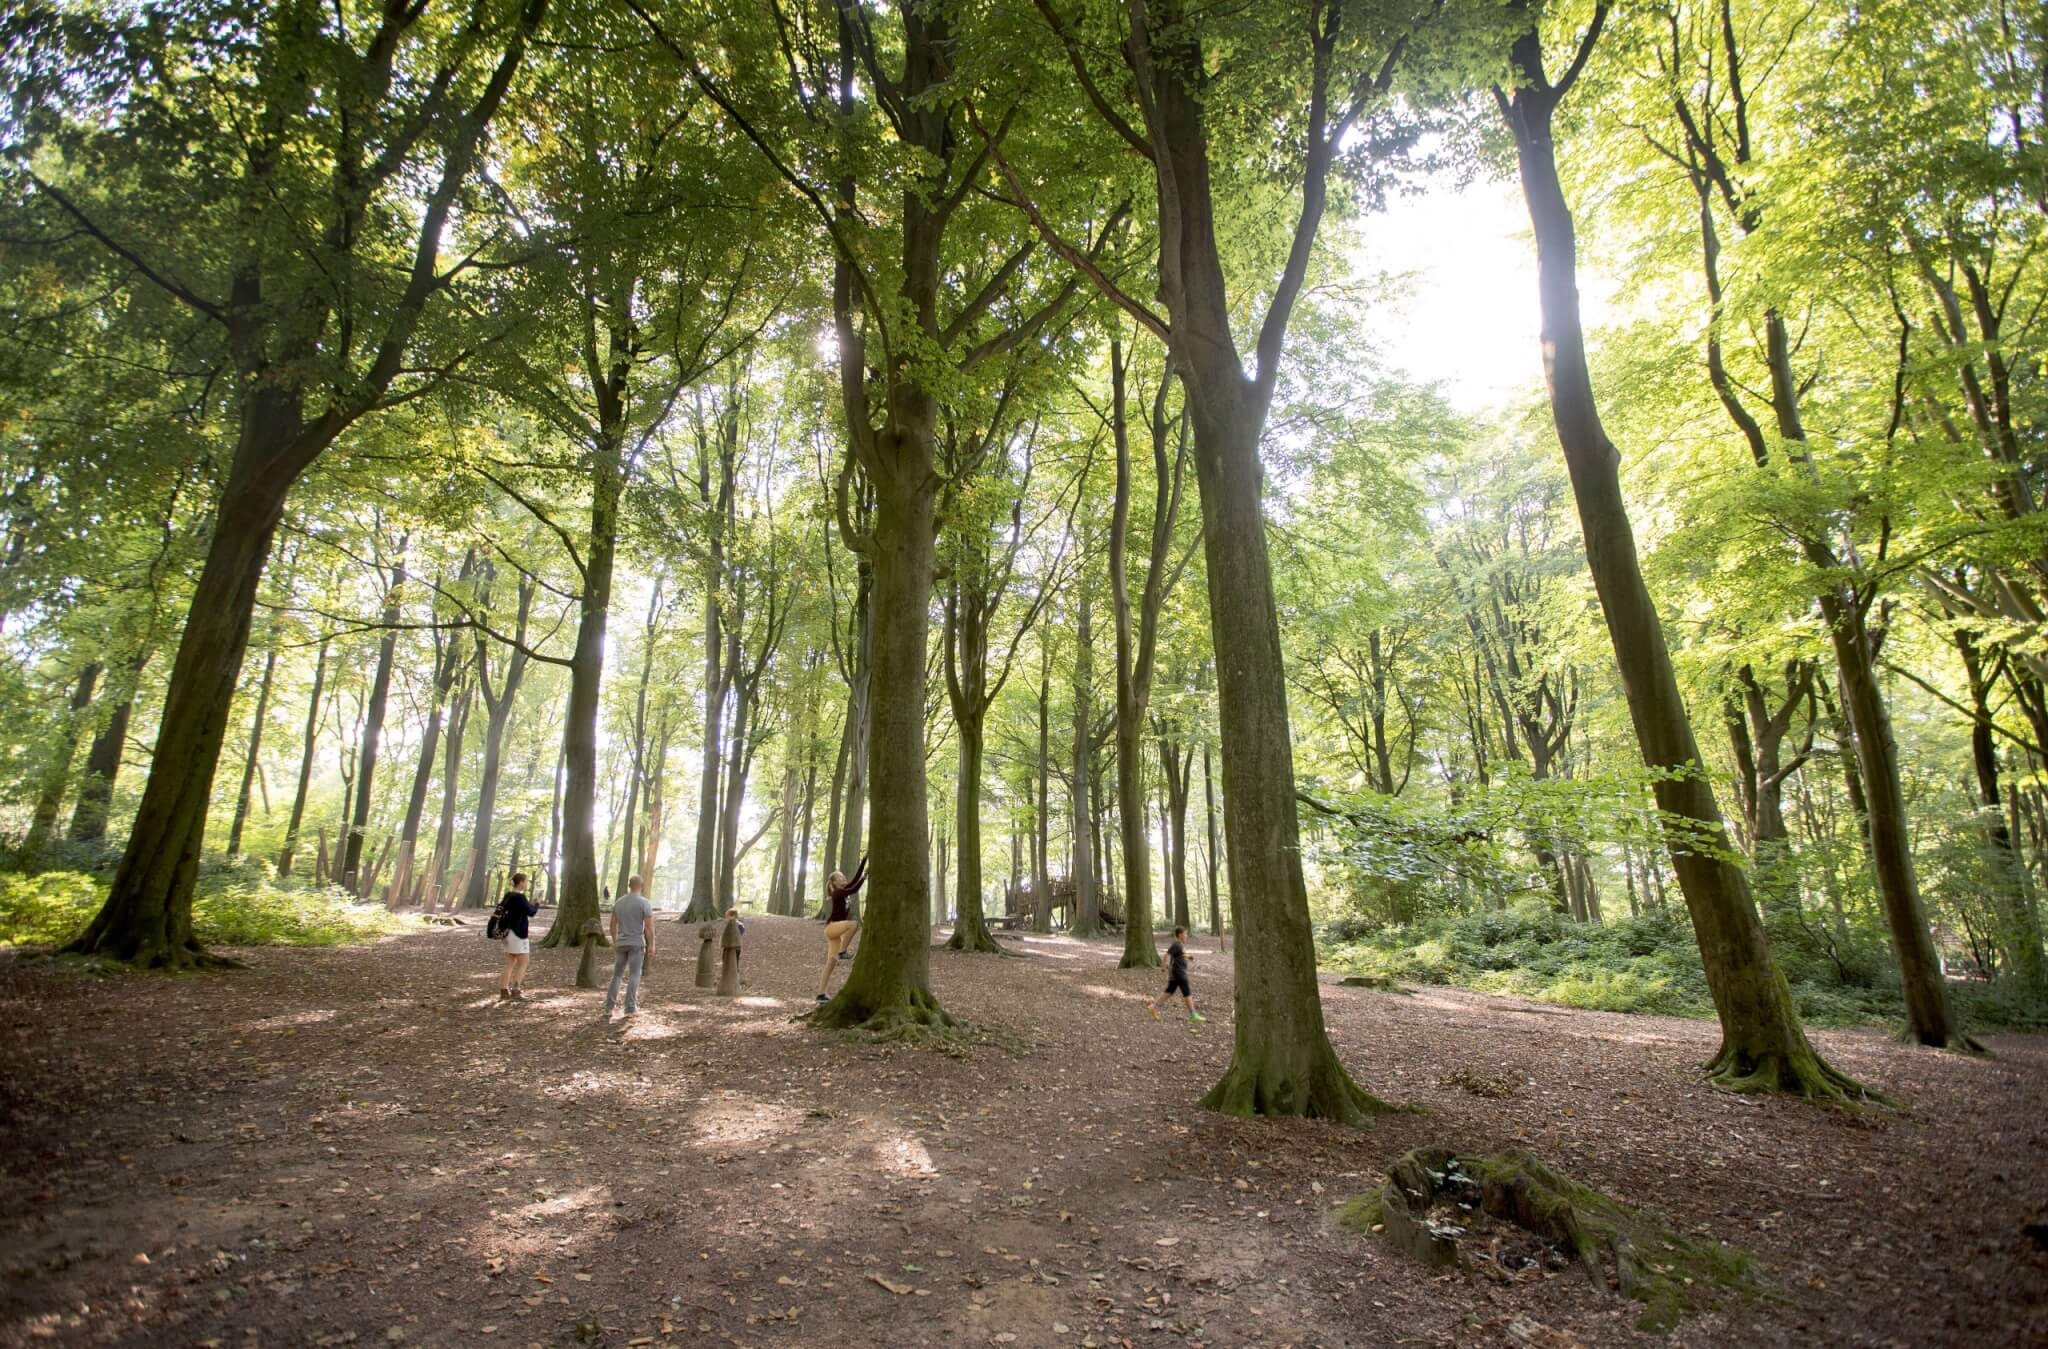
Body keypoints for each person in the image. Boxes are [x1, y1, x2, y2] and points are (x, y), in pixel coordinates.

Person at [605, 874, 655, 1019]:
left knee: (617, 975)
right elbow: (649, 927)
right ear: (641, 886)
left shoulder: (619, 902)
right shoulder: (644, 903)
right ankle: (630, 1008)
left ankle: (609, 1007)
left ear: (629, 885)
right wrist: (652, 944)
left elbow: (612, 924)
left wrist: (615, 941)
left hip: (621, 942)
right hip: (636, 943)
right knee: (635, 974)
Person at [817, 857, 866, 1002]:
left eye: (844, 877)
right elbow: (855, 888)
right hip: (832, 927)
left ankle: (821, 994)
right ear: (834, 883)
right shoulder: (837, 893)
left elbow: (855, 880)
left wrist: (864, 861)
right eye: (840, 878)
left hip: (835, 933)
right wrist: (865, 877)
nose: (844, 878)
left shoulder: (843, 890)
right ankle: (843, 952)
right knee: (853, 924)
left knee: (831, 963)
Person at [496, 872, 539, 1000]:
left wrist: (529, 904)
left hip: (507, 933)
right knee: (524, 962)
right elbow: (531, 912)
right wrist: (537, 904)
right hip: (518, 933)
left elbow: (520, 910)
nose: (527, 884)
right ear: (520, 882)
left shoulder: (508, 895)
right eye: (526, 881)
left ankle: (504, 990)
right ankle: (516, 990)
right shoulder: (519, 897)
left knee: (510, 962)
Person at [1149, 926, 1202, 1023]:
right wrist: (1164, 967)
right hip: (1178, 973)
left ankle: (1154, 1007)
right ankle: (1193, 1014)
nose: (1187, 936)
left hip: (1176, 973)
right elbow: (1167, 954)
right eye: (1185, 934)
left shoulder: (1180, 946)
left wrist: (1191, 958)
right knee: (1187, 992)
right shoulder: (1176, 945)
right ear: (1180, 935)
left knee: (1170, 991)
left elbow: (1182, 954)